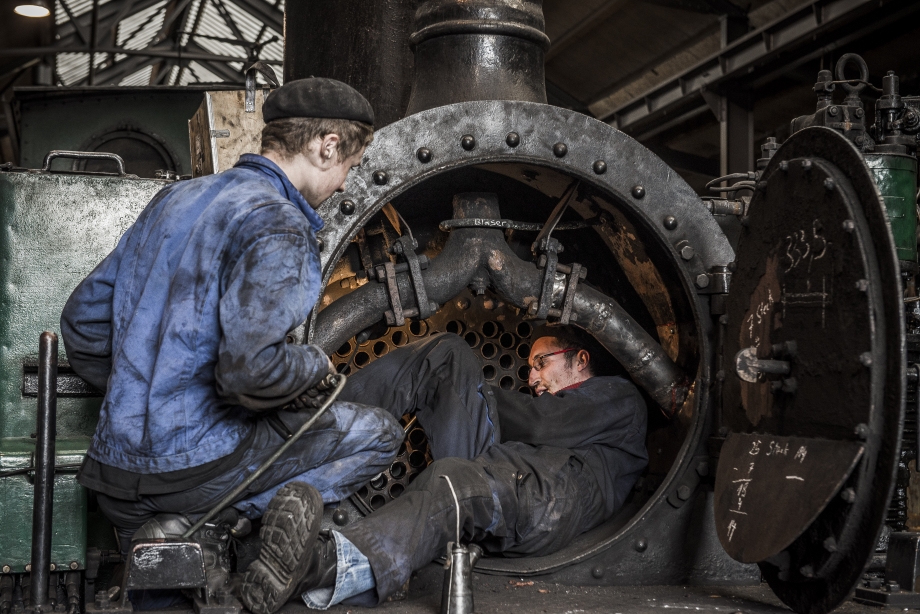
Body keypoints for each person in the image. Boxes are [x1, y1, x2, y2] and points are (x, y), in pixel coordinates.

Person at [59, 78, 405, 600]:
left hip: (114, 475)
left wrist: (145, 386)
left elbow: (81, 322)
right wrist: (311, 365)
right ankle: (212, 525)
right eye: (348, 169)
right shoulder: (279, 222)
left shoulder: (175, 198)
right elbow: (247, 373)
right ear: (327, 144)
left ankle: (177, 535)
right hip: (193, 475)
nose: (343, 186)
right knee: (378, 432)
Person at [239, 328, 648, 613]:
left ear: (580, 359)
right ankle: (314, 416)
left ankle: (314, 567)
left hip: (544, 496)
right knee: (447, 354)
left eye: (541, 362)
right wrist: (465, 388)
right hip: (504, 480)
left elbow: (543, 423)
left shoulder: (619, 397)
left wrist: (479, 392)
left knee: (450, 483)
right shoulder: (542, 420)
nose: (531, 376)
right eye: (529, 368)